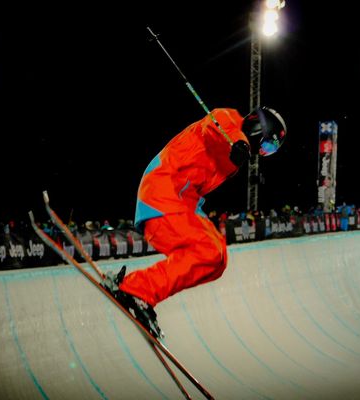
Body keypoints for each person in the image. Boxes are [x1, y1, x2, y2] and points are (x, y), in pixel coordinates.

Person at [101, 106, 287, 338]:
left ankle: (141, 290)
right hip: (162, 193)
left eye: (269, 152)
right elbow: (215, 126)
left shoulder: (232, 162)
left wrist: (239, 149)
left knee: (217, 258)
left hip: (178, 203)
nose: (263, 153)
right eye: (267, 145)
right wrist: (241, 142)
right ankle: (137, 288)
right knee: (209, 250)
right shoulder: (228, 119)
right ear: (260, 128)